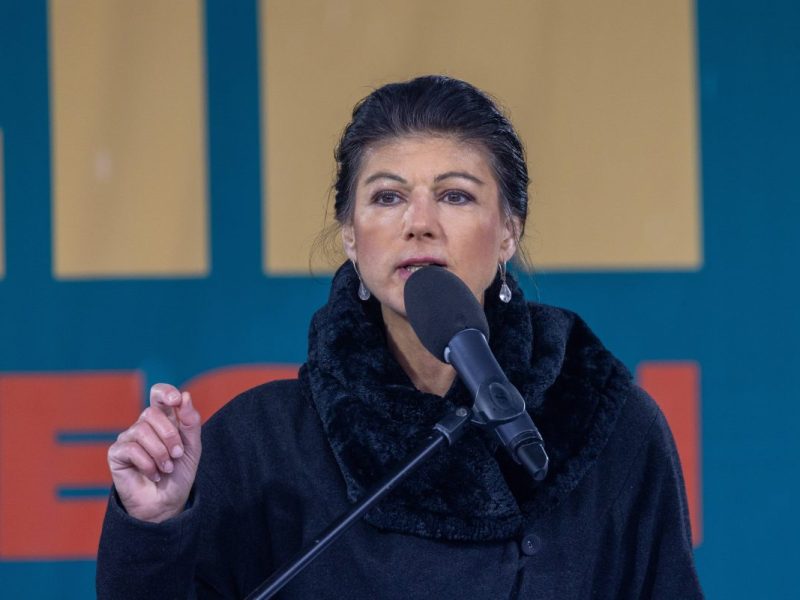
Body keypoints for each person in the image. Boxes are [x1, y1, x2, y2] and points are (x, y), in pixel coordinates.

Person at [97, 75, 703, 599]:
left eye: (456, 195)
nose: (419, 224)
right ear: (353, 237)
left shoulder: (605, 423)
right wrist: (157, 524)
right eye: (388, 197)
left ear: (509, 232)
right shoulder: (260, 444)